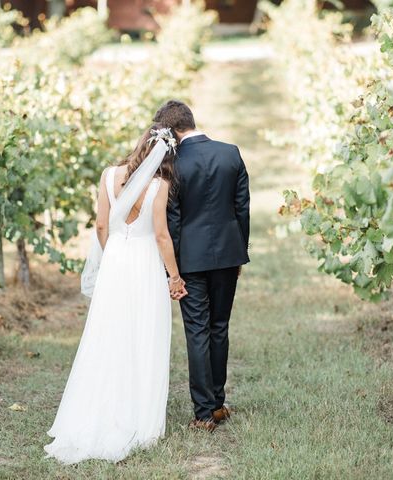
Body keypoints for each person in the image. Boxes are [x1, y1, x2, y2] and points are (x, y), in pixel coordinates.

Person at [44, 124, 186, 464]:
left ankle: (98, 406)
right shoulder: (159, 185)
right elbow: (162, 237)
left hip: (116, 263)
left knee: (106, 336)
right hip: (145, 263)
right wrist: (175, 276)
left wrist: (112, 257)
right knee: (144, 335)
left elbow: (101, 226)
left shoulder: (108, 175)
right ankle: (140, 419)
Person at [154, 100, 250, 432]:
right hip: (227, 254)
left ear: (171, 132)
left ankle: (204, 413)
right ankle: (218, 402)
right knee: (219, 326)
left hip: (190, 261)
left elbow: (174, 221)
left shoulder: (173, 164)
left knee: (197, 331)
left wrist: (173, 270)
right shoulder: (231, 153)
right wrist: (239, 252)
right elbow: (242, 210)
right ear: (191, 122)